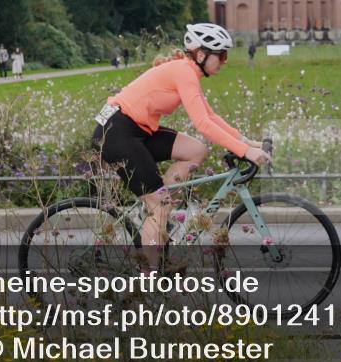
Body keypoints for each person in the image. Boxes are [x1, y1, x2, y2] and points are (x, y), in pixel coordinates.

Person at [91, 22, 271, 271]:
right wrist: (245, 152)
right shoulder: (184, 72)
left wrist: (246, 142)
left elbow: (211, 116)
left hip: (137, 130)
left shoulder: (187, 71)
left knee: (196, 150)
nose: (224, 61)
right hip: (116, 132)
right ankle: (149, 279)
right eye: (221, 55)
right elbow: (202, 124)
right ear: (200, 54)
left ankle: (160, 216)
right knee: (159, 205)